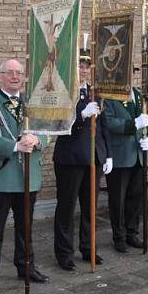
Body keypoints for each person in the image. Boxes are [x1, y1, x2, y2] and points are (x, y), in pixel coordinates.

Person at [0, 59, 49, 294]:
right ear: (1, 76)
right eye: (10, 73)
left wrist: (39, 140)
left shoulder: (32, 102)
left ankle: (26, 267)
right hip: (2, 176)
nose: (15, 77)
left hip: (29, 175)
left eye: (19, 73)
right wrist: (15, 146)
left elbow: (48, 130)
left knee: (25, 227)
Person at [51, 52, 112, 271]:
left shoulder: (95, 92)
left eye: (87, 66)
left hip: (93, 158)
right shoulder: (63, 92)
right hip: (70, 158)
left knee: (90, 208)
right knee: (66, 208)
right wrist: (81, 116)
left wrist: (108, 154)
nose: (84, 70)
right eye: (80, 65)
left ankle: (88, 248)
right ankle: (64, 253)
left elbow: (103, 127)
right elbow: (59, 124)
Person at [103, 79, 148, 253]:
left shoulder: (140, 96)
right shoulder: (110, 95)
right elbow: (109, 122)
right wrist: (133, 124)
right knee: (118, 199)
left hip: (139, 154)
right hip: (120, 156)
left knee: (136, 197)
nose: (131, 77)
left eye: (134, 73)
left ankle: (132, 233)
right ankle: (118, 236)